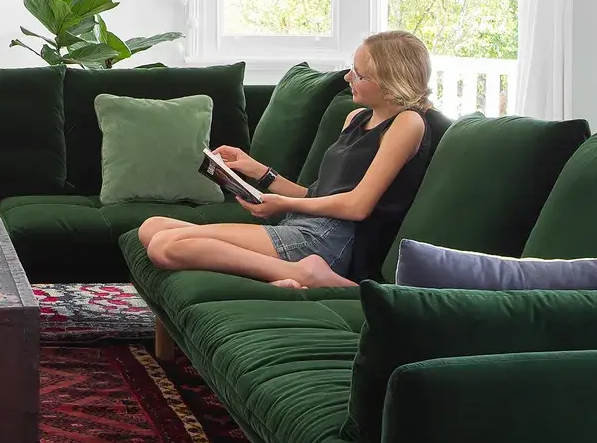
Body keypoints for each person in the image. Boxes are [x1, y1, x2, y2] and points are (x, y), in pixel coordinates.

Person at [137, 30, 444, 288]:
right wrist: (258, 171)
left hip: (332, 240)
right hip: (304, 223)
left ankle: (306, 274)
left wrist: (284, 205)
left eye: (359, 74)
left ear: (391, 83)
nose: (348, 77)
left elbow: (357, 206)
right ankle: (283, 273)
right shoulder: (355, 118)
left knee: (166, 246)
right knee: (151, 227)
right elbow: (317, 195)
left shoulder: (408, 123)